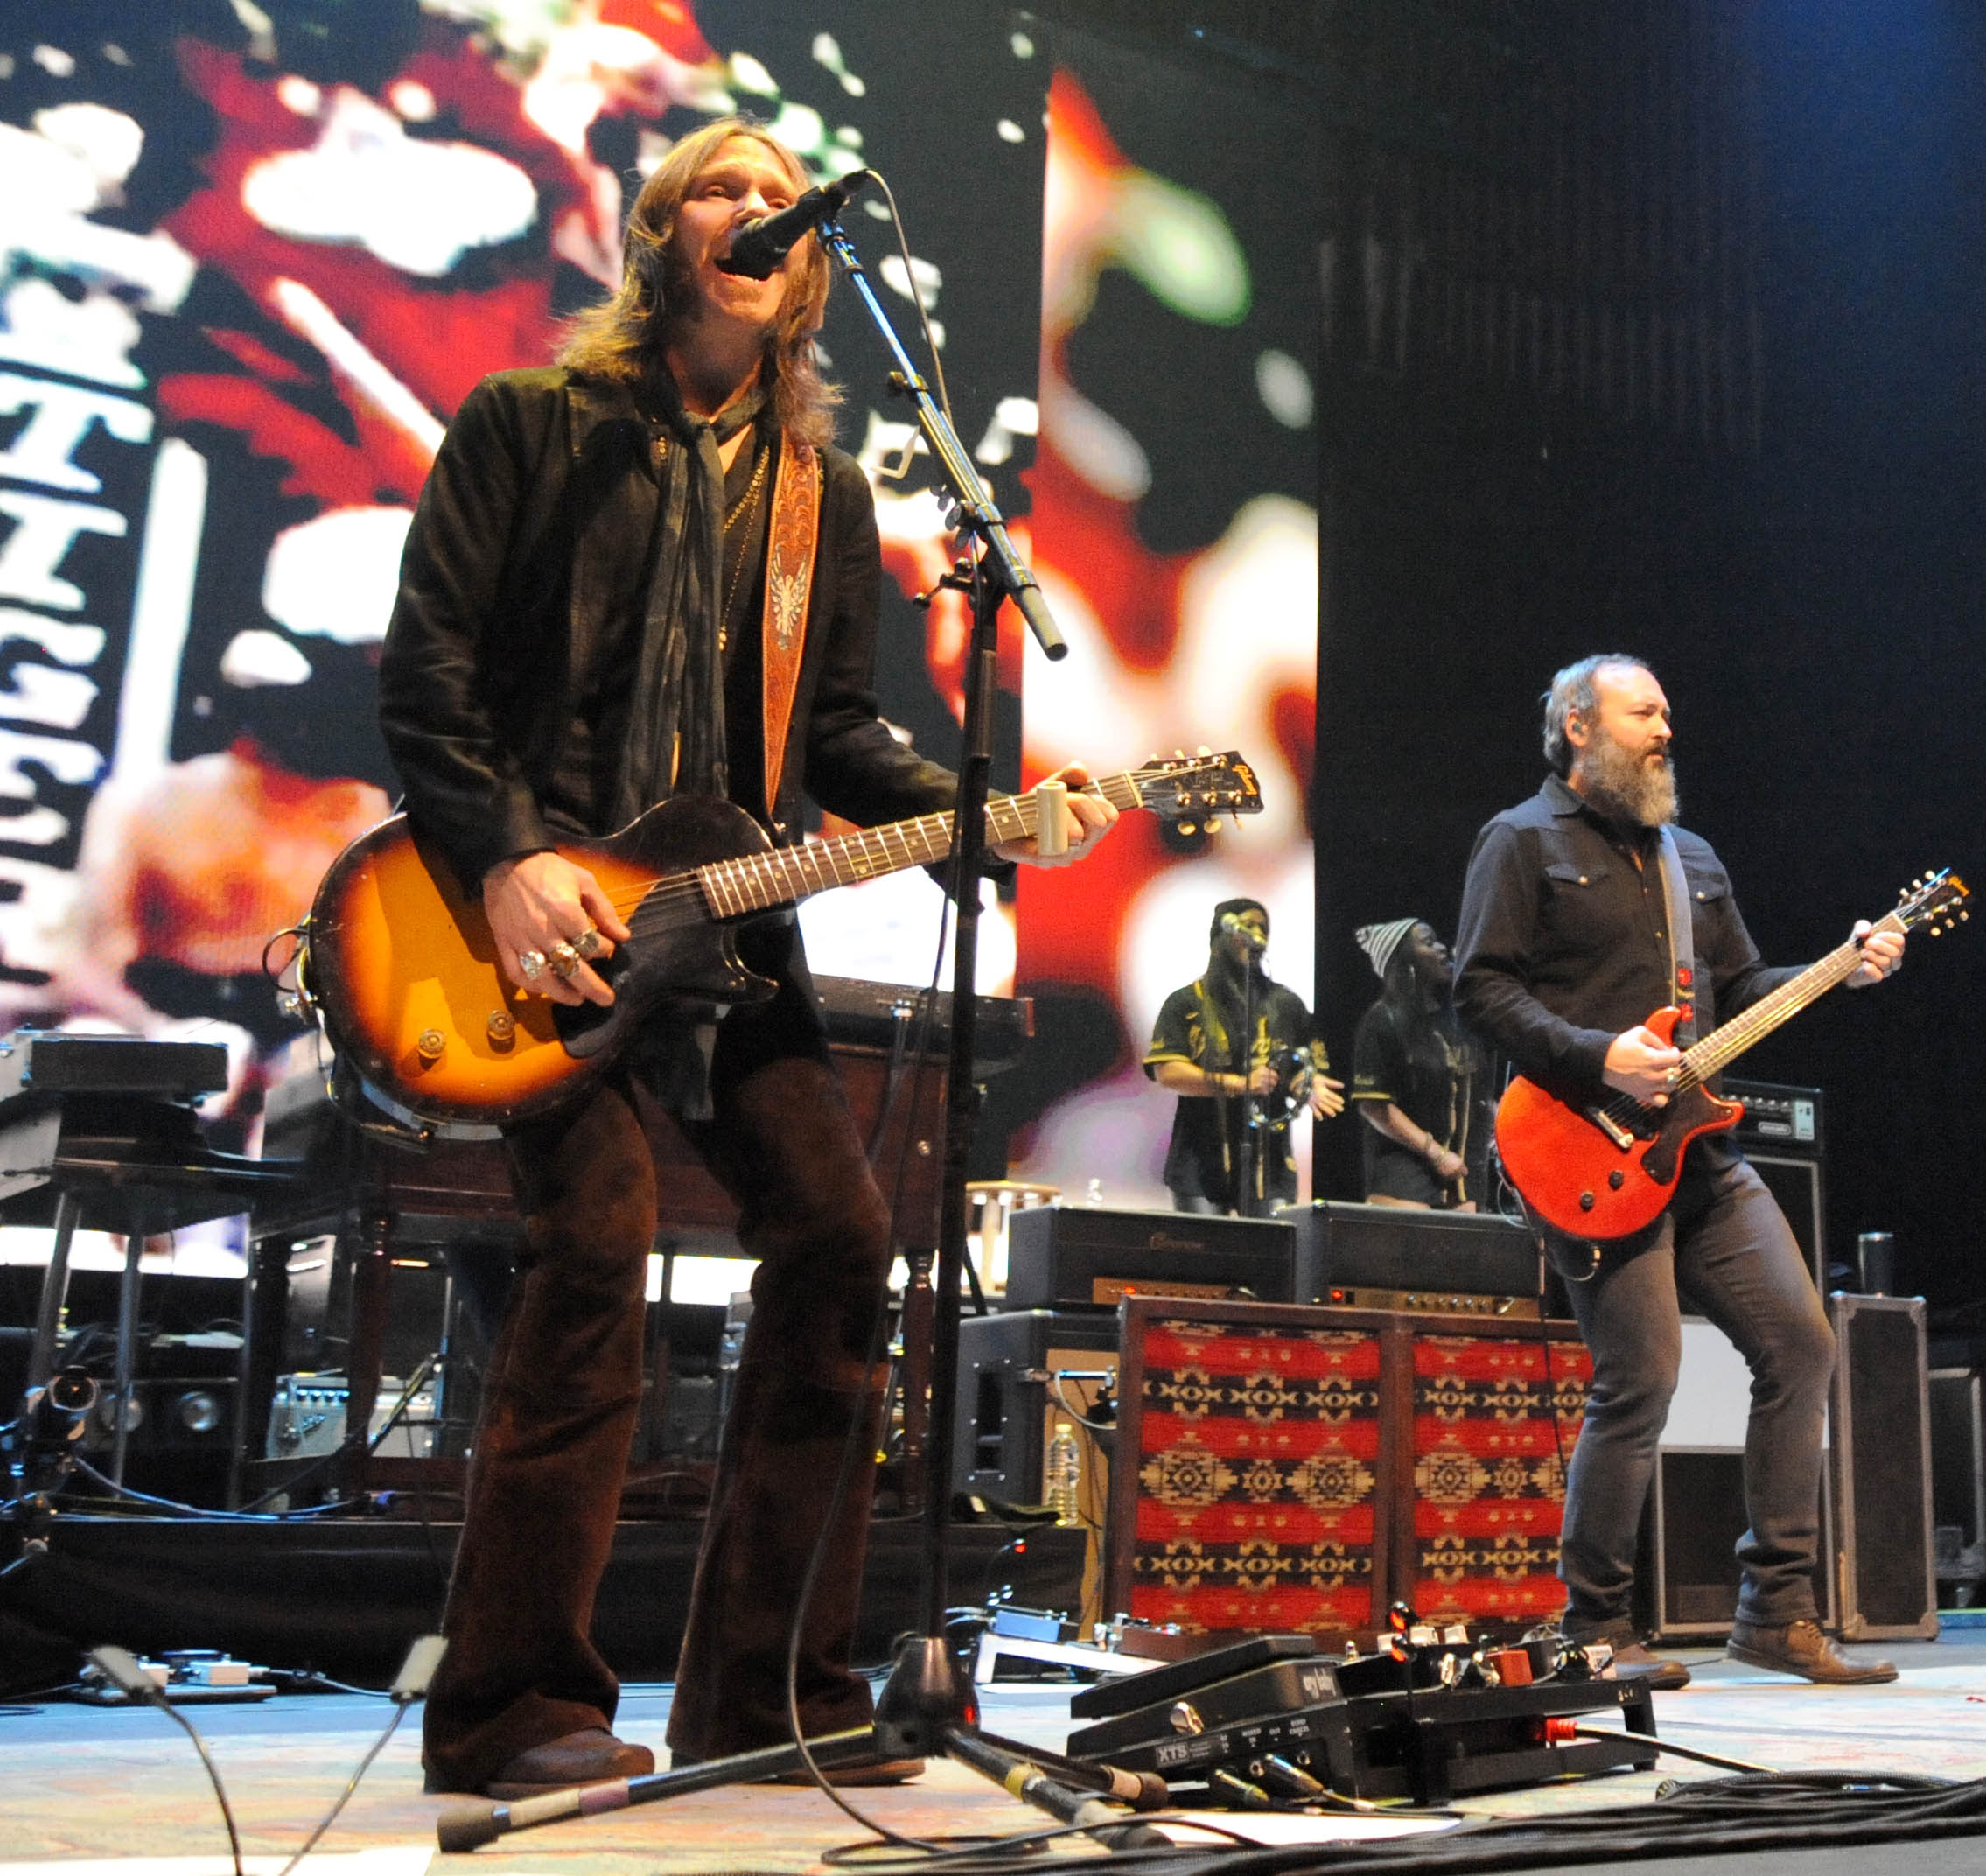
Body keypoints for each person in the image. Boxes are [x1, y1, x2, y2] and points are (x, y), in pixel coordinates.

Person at [377, 120, 1116, 1798]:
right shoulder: (529, 422)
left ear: (806, 283)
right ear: (661, 236)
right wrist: (506, 858)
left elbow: (835, 733)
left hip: (723, 931)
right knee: (594, 1247)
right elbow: (428, 676)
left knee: (842, 1240)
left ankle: (767, 1689)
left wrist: (996, 815)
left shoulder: (817, 494)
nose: (755, 208)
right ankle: (504, 1710)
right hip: (535, 915)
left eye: (775, 192)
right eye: (719, 184)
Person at [1453, 654, 1905, 1687]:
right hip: (1583, 1145)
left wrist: (1841, 966)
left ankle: (1776, 1611)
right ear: (1578, 724)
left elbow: (1739, 988)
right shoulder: (1520, 839)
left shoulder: (1689, 855)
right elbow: (1480, 989)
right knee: (1642, 1375)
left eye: (1666, 713)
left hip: (1699, 1149)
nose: (1665, 729)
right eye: (1642, 712)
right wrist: (1596, 1054)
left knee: (1801, 1345)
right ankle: (1596, 1626)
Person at [1143, 899, 1340, 1214]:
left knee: (1270, 1242)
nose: (1257, 935)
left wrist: (1307, 1084)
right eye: (1248, 926)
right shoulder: (1185, 1002)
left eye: (1263, 928)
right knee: (1205, 1243)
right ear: (1220, 935)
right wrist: (1241, 1084)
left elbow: (1306, 1065)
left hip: (1269, 1163)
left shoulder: (1285, 1003)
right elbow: (1167, 1072)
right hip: (1201, 1161)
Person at [1347, 919, 1491, 1208]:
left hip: (1460, 1175)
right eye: (1428, 942)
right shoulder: (1382, 1020)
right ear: (1405, 961)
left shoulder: (1456, 1020)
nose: (1442, 948)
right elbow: (1374, 1107)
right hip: (1404, 1174)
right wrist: (1435, 1152)